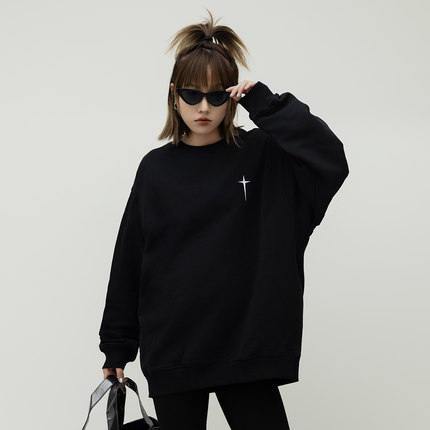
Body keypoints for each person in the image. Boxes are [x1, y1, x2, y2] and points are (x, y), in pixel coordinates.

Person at [98, 9, 349, 430]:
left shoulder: (264, 156)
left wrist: (266, 105)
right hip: (174, 347)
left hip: (247, 344)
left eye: (217, 96)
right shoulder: (155, 168)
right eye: (192, 95)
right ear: (174, 94)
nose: (204, 107)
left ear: (231, 97)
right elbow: (130, 258)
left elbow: (329, 159)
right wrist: (116, 346)